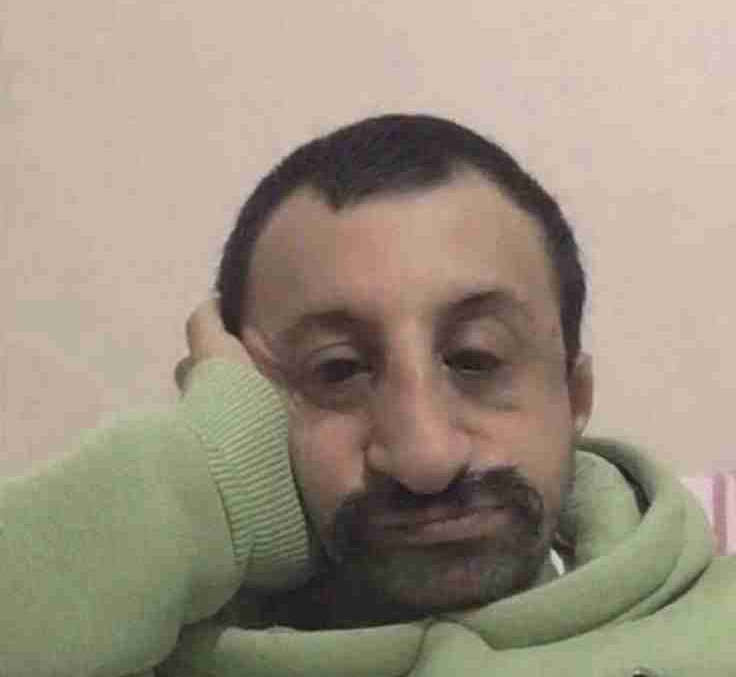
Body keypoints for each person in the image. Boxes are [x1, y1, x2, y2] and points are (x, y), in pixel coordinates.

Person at [1, 115, 732, 677]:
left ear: (574, 395)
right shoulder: (137, 648)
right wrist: (209, 472)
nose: (424, 457)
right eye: (340, 370)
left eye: (476, 358)